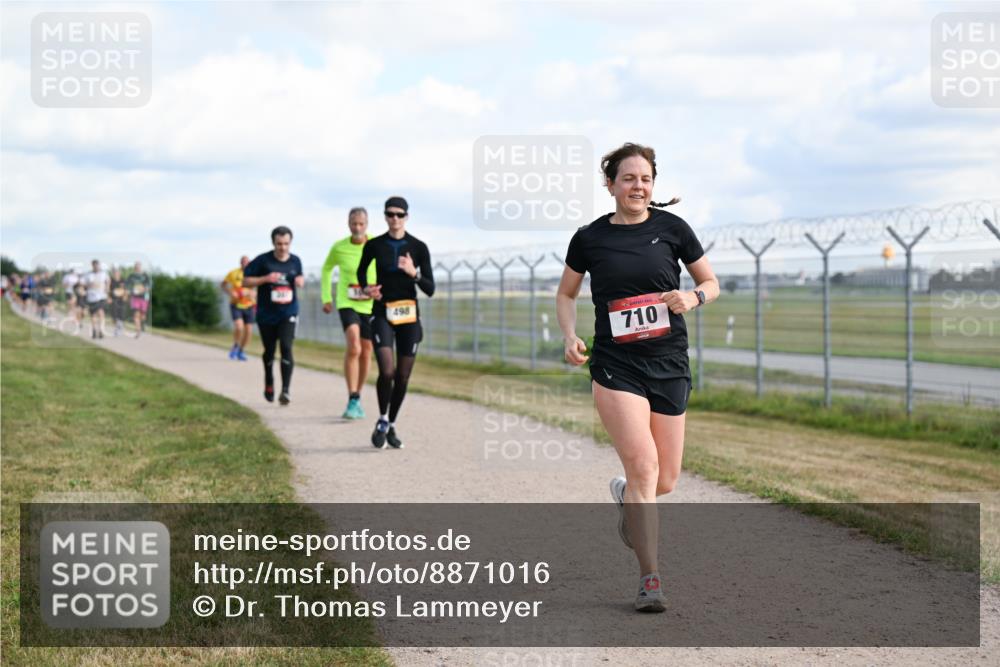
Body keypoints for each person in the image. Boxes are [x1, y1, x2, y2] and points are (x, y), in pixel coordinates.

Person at [556, 143, 719, 613]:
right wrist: (569, 337)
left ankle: (627, 497)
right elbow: (566, 294)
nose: (638, 186)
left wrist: (694, 299)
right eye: (628, 178)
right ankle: (650, 579)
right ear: (610, 185)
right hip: (615, 365)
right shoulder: (589, 238)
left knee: (664, 479)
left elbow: (711, 282)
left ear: (653, 184)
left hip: (668, 362)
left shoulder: (673, 230)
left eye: (645, 178)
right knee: (645, 466)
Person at [356, 196, 434, 449]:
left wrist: (414, 273)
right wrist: (368, 289)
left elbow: (430, 288)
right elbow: (361, 271)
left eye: (400, 215)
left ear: (407, 217)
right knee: (387, 370)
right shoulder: (375, 245)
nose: (395, 219)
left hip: (409, 316)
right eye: (390, 214)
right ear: (385, 216)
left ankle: (391, 422)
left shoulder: (418, 247)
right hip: (382, 313)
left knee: (402, 375)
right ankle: (381, 417)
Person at [321, 207, 377, 419]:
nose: (357, 227)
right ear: (348, 223)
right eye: (354, 223)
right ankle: (352, 396)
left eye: (361, 224)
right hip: (347, 302)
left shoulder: (375, 245)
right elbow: (326, 269)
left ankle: (357, 396)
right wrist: (326, 297)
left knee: (366, 350)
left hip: (370, 304)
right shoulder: (339, 247)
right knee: (354, 346)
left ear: (367, 224)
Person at [242, 226, 304, 405]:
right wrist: (265, 279)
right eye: (279, 244)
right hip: (267, 315)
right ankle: (269, 380)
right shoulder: (262, 260)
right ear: (273, 243)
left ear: (290, 243)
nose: (283, 247)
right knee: (269, 351)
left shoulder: (295, 261)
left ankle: (285, 390)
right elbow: (245, 281)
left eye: (286, 243)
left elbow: (299, 278)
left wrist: (300, 281)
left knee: (286, 347)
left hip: (288, 313)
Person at [221, 256, 256, 361]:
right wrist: (230, 293)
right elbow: (223, 285)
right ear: (240, 263)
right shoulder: (233, 273)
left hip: (249, 305)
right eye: (243, 262)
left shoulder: (254, 274)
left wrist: (252, 293)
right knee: (239, 327)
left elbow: (259, 288)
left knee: (249, 331)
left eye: (247, 262)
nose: (245, 264)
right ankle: (236, 346)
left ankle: (241, 350)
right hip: (236, 305)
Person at [84, 259, 110, 339]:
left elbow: (108, 281)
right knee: (93, 315)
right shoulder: (88, 274)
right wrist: (89, 286)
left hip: (102, 296)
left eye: (97, 265)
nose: (96, 267)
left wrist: (107, 289)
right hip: (91, 297)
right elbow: (84, 285)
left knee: (101, 312)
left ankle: (101, 330)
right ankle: (94, 330)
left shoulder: (104, 273)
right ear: (92, 266)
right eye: (94, 265)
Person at [127, 262, 152, 338]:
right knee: (136, 314)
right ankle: (138, 331)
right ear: (134, 268)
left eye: (138, 267)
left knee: (143, 315)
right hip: (135, 297)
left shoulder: (145, 275)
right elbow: (127, 285)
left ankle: (143, 324)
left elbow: (150, 285)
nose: (137, 268)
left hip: (144, 297)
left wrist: (144, 289)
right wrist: (129, 290)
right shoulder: (131, 276)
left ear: (141, 268)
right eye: (136, 267)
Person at [109, 268, 129, 335]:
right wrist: (109, 297)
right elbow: (108, 289)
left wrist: (125, 296)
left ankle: (119, 328)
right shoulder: (111, 280)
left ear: (120, 273)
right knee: (114, 316)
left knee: (121, 314)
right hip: (113, 299)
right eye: (115, 272)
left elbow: (126, 289)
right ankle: (118, 326)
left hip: (121, 299)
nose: (116, 274)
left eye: (117, 272)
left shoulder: (123, 280)